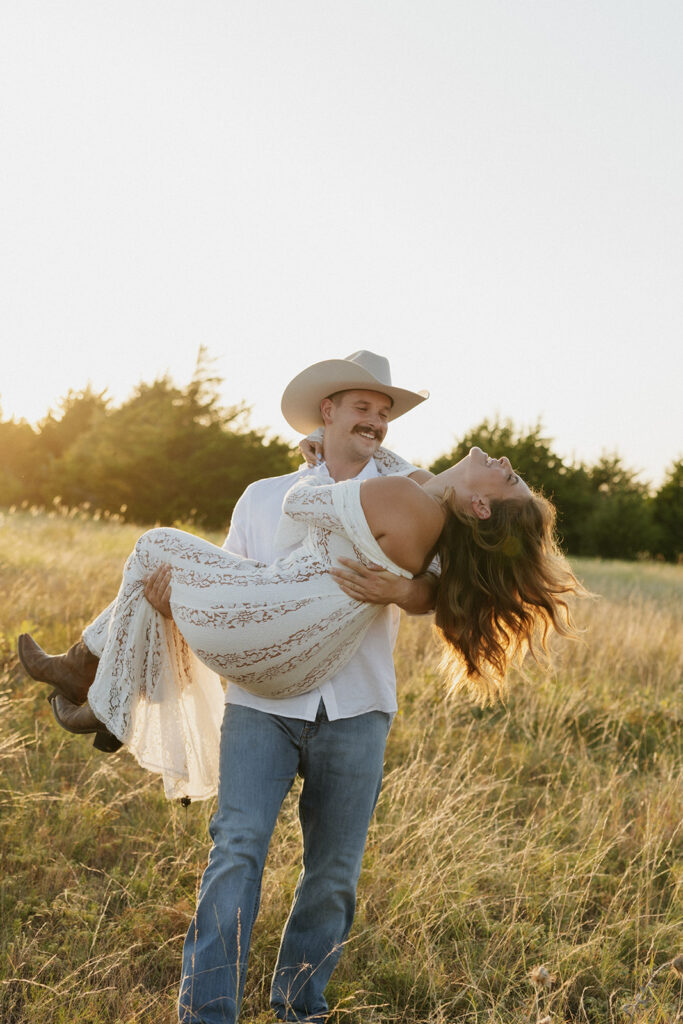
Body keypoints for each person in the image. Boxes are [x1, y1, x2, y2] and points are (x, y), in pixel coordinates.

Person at [17, 351, 581, 1023]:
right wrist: (179, 603)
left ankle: (297, 1005)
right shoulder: (265, 493)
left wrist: (401, 589)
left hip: (356, 706)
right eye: (363, 407)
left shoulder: (416, 491)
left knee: (332, 876)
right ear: (328, 412)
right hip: (262, 701)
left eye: (384, 411)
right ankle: (207, 1013)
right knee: (236, 853)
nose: (375, 419)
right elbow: (234, 580)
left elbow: (442, 588)